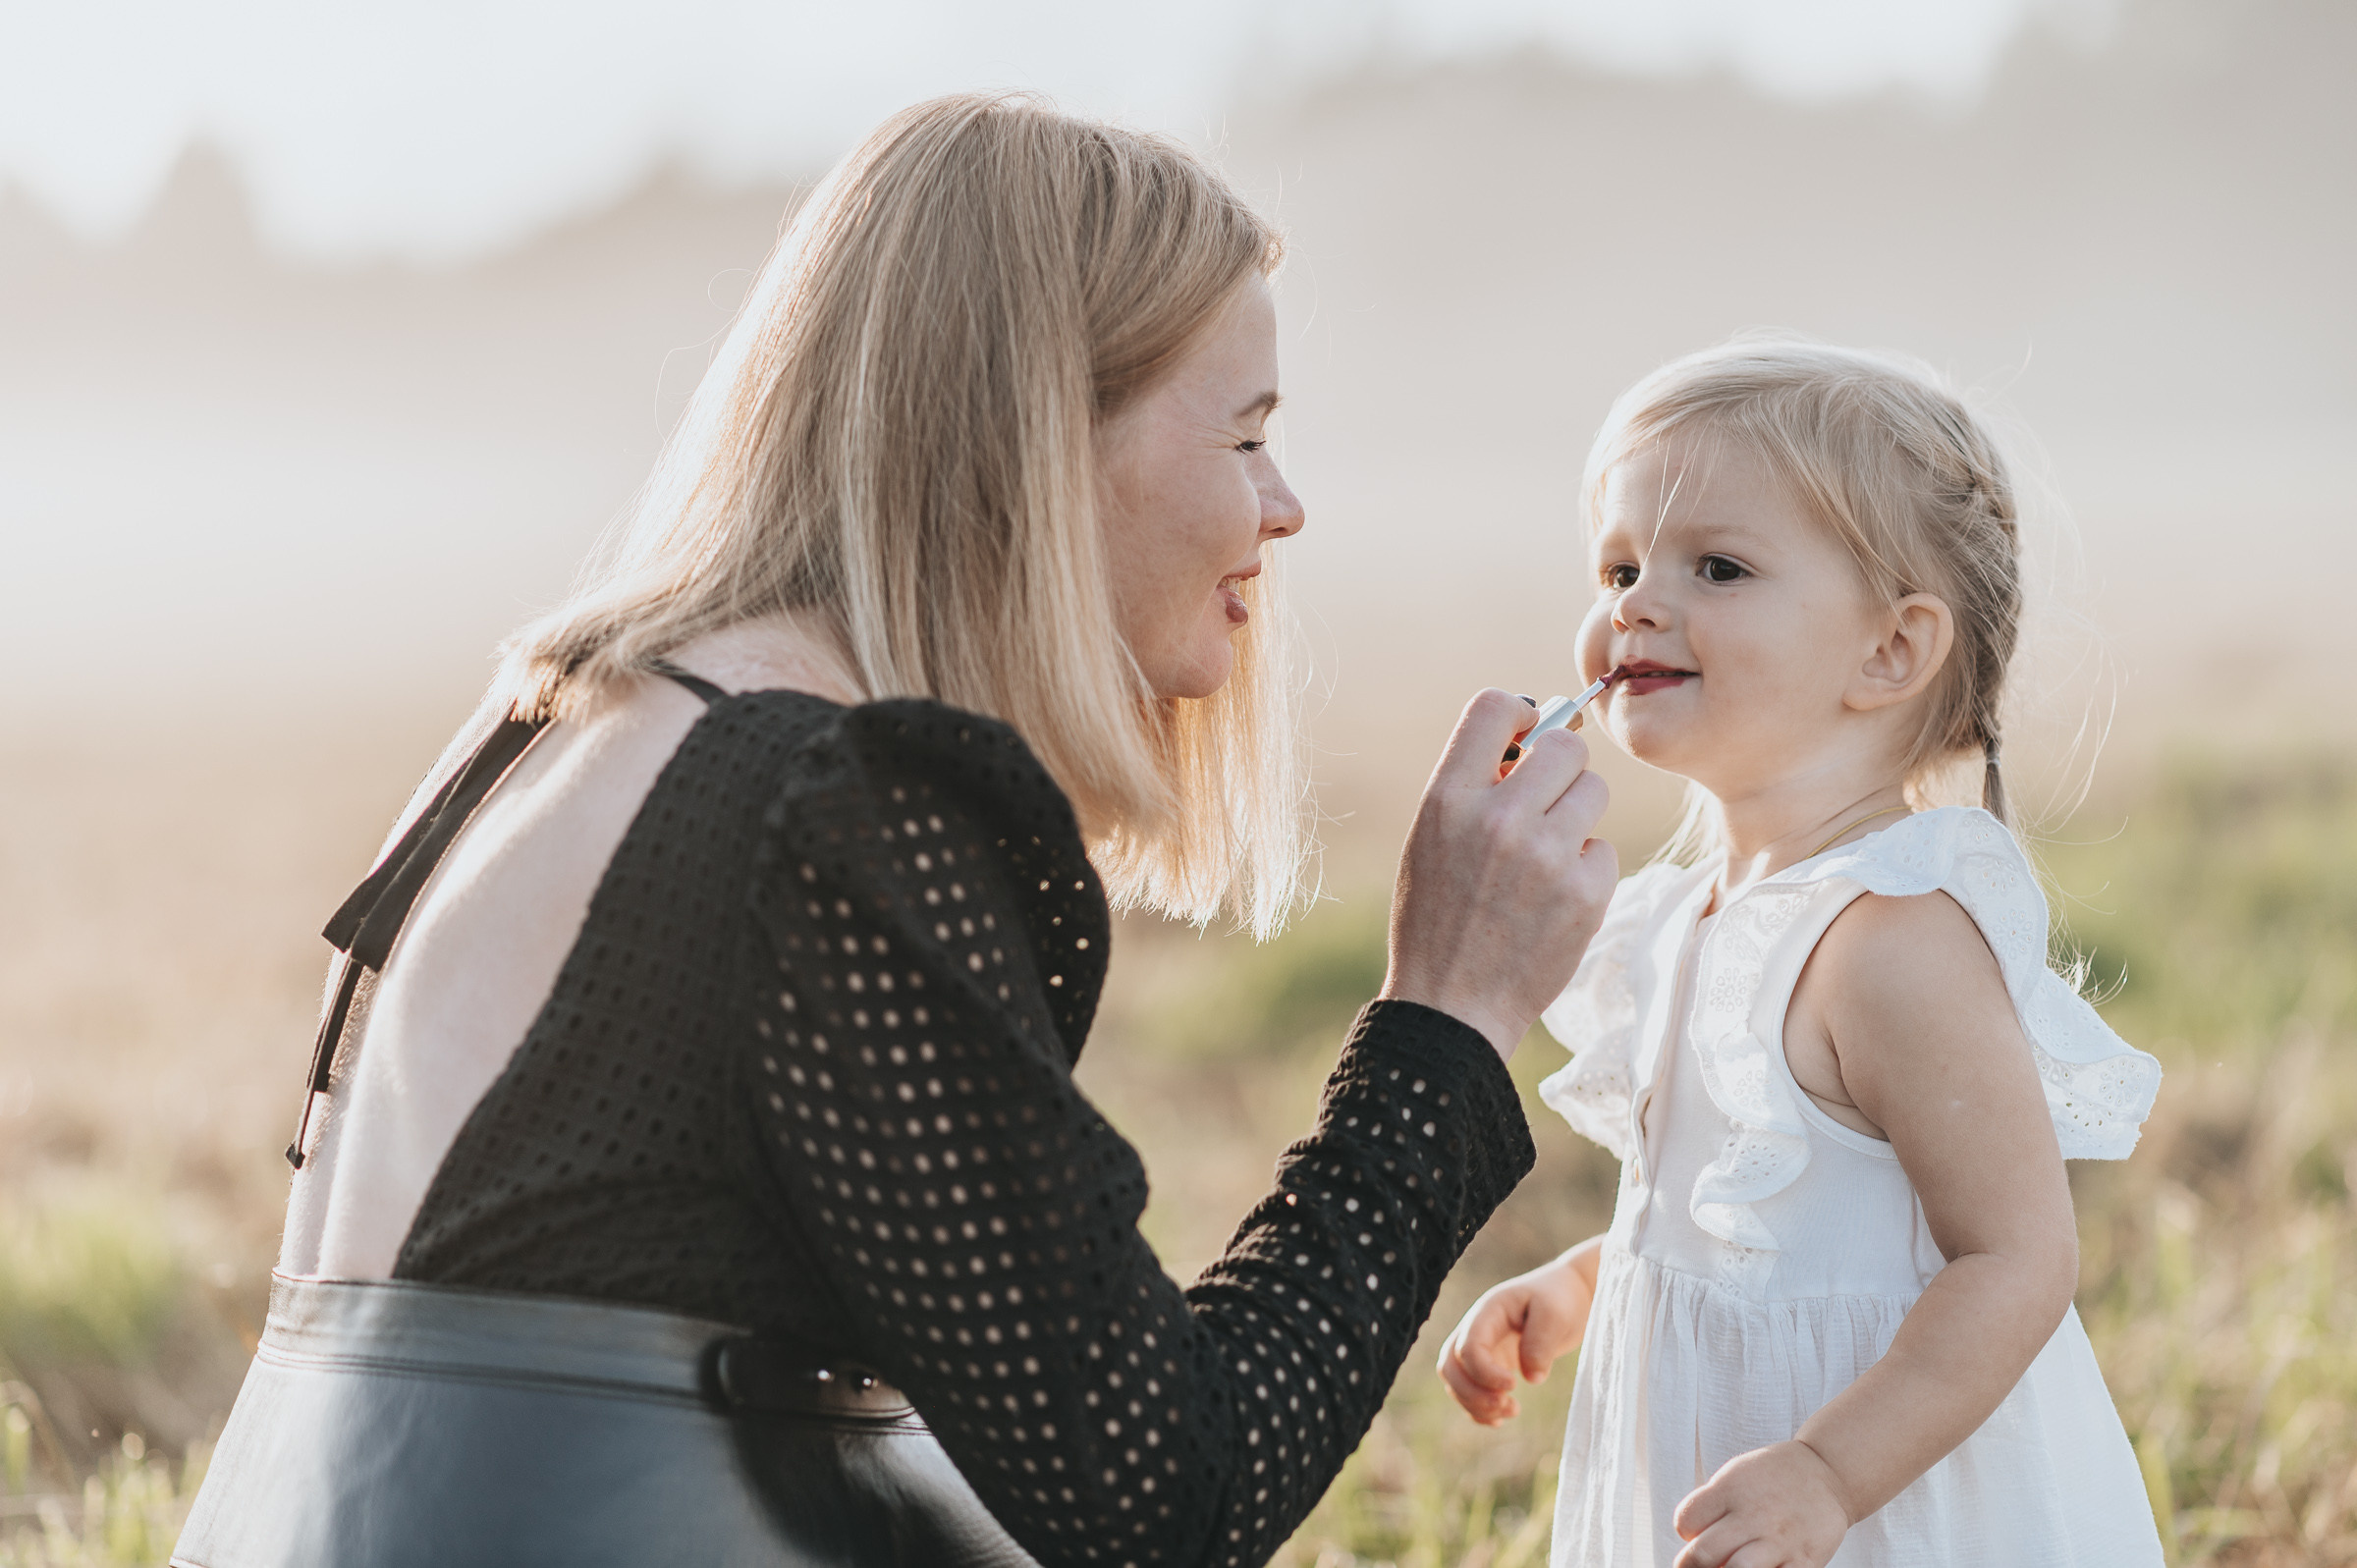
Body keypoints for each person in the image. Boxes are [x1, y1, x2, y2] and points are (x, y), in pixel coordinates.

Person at [172, 93, 1621, 1568]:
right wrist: (1447, 1022)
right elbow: (1164, 1492)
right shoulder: (824, 806)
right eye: (1245, 433)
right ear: (1037, 440)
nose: (1286, 503)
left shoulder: (566, 722)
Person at [1436, 338, 2166, 1568]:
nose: (1634, 603)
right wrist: (1588, 1280)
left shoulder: (1892, 940)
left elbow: (2017, 1256)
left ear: (1889, 651)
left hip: (1893, 1502)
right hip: (1725, 1476)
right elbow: (1758, 1228)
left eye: (1716, 566)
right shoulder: (1687, 916)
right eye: (1618, 564)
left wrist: (1832, 1470)